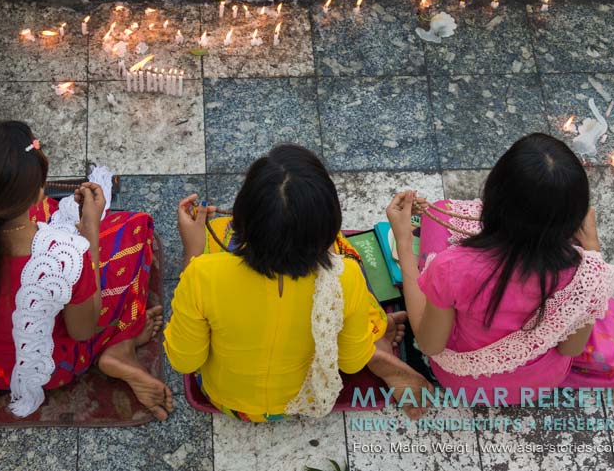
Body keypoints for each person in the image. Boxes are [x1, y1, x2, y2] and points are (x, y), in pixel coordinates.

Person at [0, 121, 172, 420]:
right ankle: (118, 347)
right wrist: (89, 227)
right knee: (135, 227)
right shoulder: (63, 256)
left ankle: (120, 346)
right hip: (52, 370)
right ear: (38, 193)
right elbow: (82, 330)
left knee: (51, 215)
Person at [164, 144, 430, 421]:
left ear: (242, 216)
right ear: (328, 223)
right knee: (344, 254)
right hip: (302, 399)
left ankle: (372, 336)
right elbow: (351, 363)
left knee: (216, 231)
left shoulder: (201, 274)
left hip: (227, 400)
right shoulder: (344, 276)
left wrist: (192, 250)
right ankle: (375, 337)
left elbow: (184, 361)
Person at [386, 133, 614, 405]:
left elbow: (430, 345)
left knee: (440, 212)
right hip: (542, 383)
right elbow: (571, 347)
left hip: (466, 385)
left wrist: (404, 241)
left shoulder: (452, 266)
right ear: (573, 219)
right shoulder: (584, 271)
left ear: (494, 195)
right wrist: (592, 247)